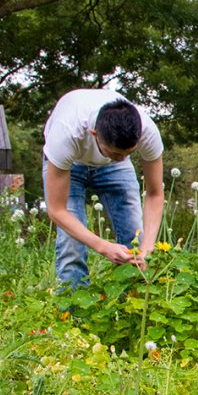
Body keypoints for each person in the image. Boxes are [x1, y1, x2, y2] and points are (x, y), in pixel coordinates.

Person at [42, 89, 165, 287]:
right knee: (71, 245)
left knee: (136, 237)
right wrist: (102, 246)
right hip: (70, 164)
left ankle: (132, 307)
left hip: (113, 169)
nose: (123, 159)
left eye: (129, 153)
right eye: (116, 153)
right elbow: (56, 210)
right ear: (94, 134)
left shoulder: (147, 132)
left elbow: (155, 194)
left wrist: (148, 248)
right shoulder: (66, 133)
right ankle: (72, 312)